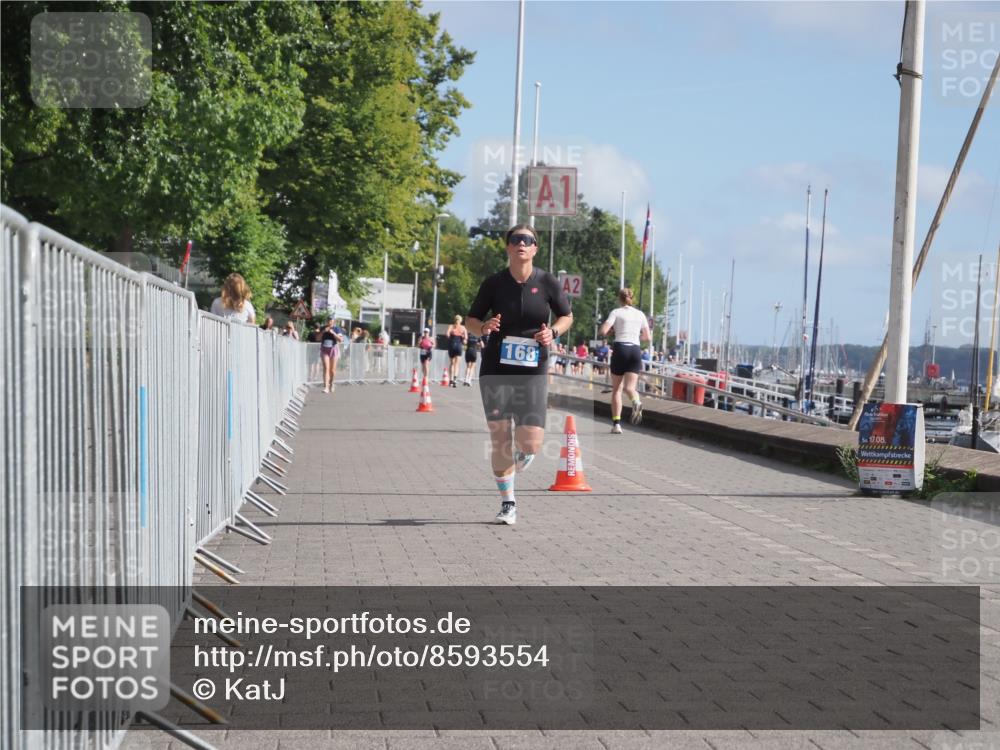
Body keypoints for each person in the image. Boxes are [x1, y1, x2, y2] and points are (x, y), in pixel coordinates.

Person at [467, 224, 573, 525]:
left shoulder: (548, 282)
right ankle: (508, 503)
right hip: (496, 367)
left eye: (527, 240)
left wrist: (553, 332)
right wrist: (483, 327)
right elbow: (472, 319)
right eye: (516, 240)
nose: (521, 244)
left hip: (532, 368)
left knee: (530, 443)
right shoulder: (493, 284)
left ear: (535, 248)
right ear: (508, 247)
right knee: (500, 437)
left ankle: (520, 457)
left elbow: (567, 316)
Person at [599, 288, 652, 434]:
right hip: (635, 350)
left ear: (619, 299)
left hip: (620, 349)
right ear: (632, 298)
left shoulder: (616, 312)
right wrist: (635, 335)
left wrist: (610, 331)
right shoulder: (640, 314)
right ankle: (636, 401)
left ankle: (616, 424)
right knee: (630, 388)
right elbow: (647, 337)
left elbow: (603, 331)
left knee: (617, 389)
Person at [320, 319, 345, 393]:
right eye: (328, 320)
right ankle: (326, 387)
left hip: (333, 349)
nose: (329, 322)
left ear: (334, 322)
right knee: (326, 368)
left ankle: (332, 384)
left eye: (331, 320)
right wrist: (323, 332)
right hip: (324, 349)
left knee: (332, 370)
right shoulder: (323, 328)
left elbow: (341, 340)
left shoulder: (337, 328)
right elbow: (317, 338)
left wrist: (333, 333)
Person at [446, 315, 468, 387]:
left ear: (454, 320)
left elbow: (447, 334)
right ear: (461, 320)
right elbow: (465, 339)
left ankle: (451, 380)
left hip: (452, 344)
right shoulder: (463, 328)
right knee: (457, 364)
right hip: (459, 346)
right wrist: (463, 339)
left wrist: (451, 338)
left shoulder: (451, 326)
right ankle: (455, 379)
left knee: (452, 363)